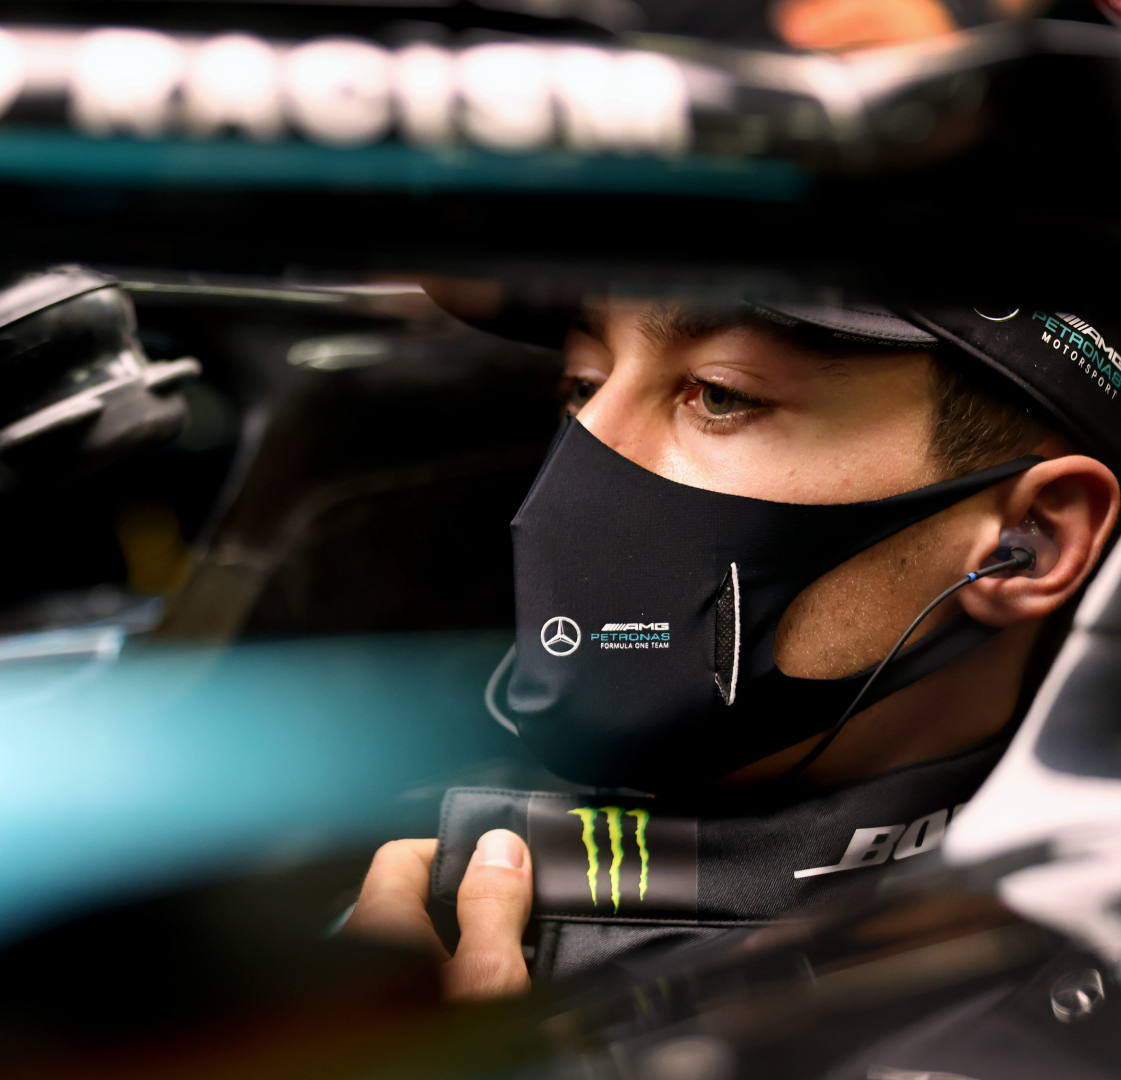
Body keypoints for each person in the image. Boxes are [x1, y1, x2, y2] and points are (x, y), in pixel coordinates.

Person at [342, 298, 1121, 1002]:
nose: (579, 464)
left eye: (720, 394)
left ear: (1029, 542)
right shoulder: (406, 907)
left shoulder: (1055, 1010)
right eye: (582, 384)